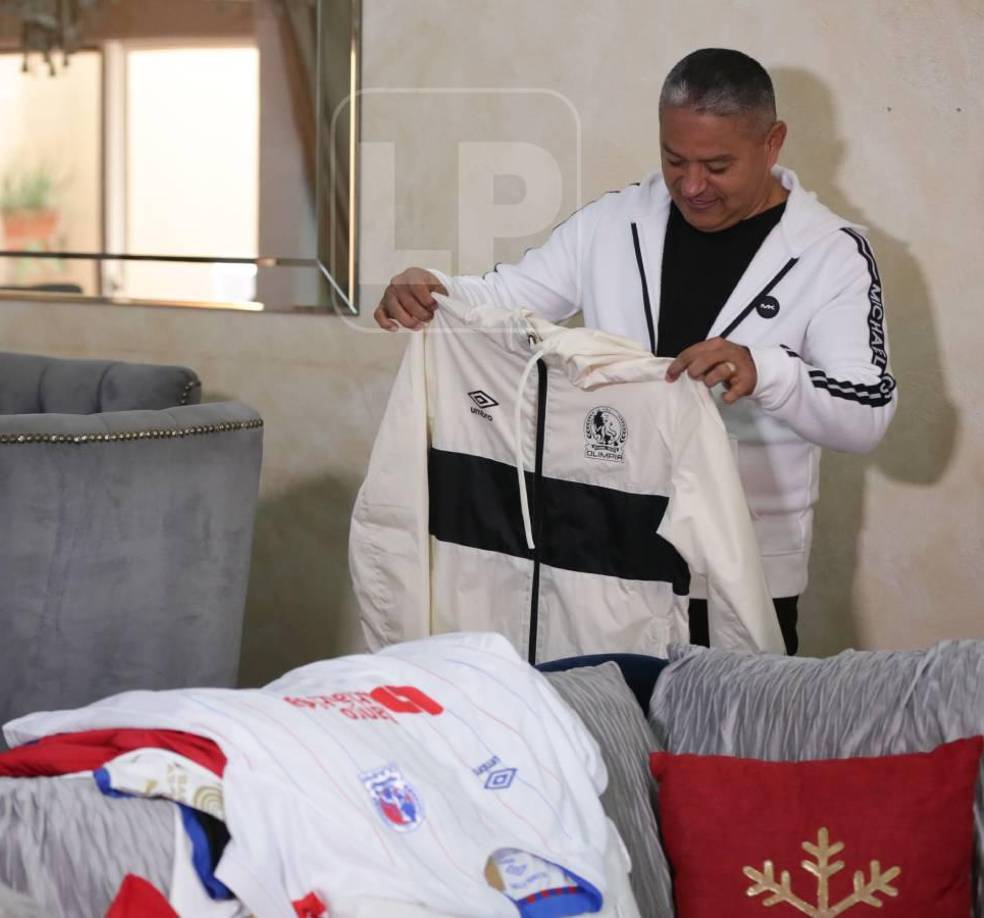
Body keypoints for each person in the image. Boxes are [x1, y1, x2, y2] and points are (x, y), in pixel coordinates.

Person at [373, 48, 897, 655]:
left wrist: (766, 372)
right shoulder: (613, 221)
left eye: (717, 165)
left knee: (721, 746)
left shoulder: (831, 254)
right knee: (603, 738)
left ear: (772, 142)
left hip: (744, 568)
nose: (692, 186)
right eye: (675, 160)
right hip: (601, 560)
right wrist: (433, 290)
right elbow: (502, 301)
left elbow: (867, 416)